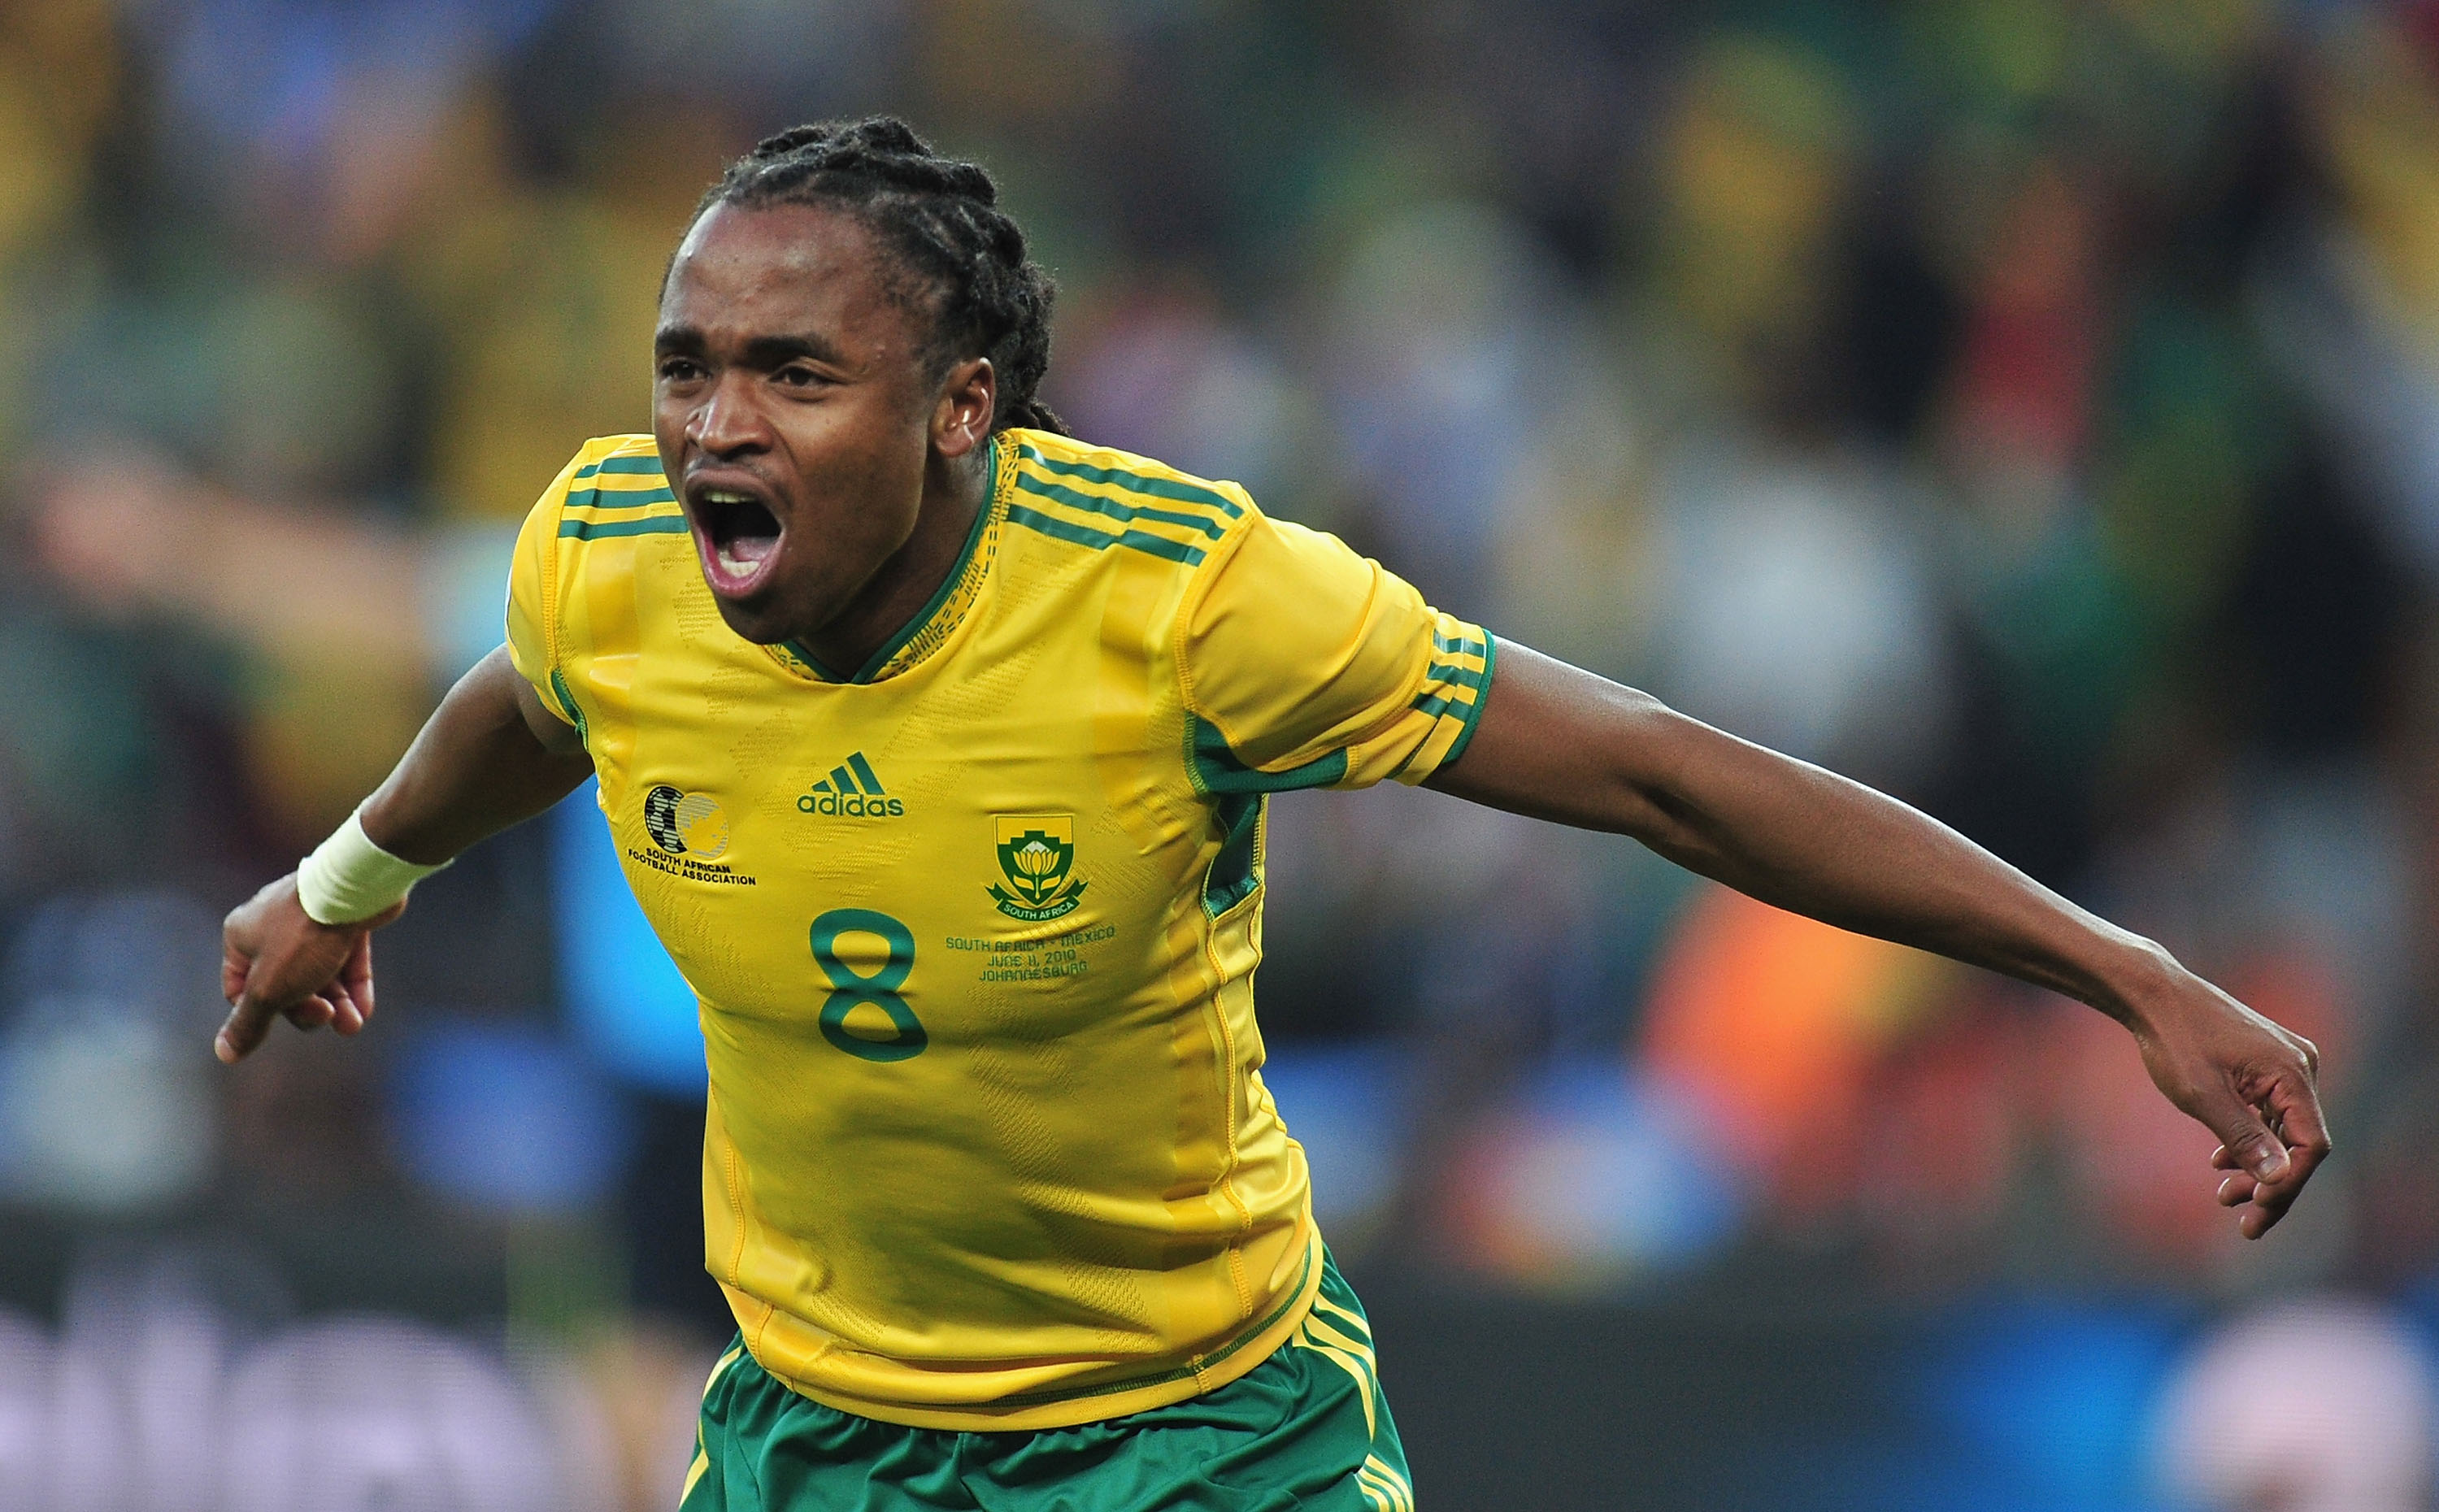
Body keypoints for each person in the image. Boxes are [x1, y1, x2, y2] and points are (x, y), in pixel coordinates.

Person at [217, 118, 2328, 1511]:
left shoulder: (1188, 604)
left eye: (790, 371)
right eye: (688, 364)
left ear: (964, 406)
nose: (710, 424)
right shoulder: (609, 554)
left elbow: (1670, 776)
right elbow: (532, 702)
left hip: (1204, 1438)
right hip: (824, 1432)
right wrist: (347, 875)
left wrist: (2115, 968)